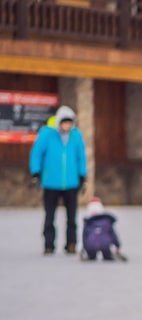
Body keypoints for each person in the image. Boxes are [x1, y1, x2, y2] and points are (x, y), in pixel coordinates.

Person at [29, 105, 87, 255]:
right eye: (64, 122)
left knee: (72, 217)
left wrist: (82, 175)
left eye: (69, 122)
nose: (67, 125)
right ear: (59, 122)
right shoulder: (47, 134)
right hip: (51, 182)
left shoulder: (76, 136)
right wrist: (36, 172)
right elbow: (36, 153)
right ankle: (49, 245)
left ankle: (71, 244)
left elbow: (81, 156)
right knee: (50, 216)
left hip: (71, 182)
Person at [80, 197, 126, 262]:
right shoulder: (107, 221)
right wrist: (117, 246)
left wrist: (84, 248)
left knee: (91, 255)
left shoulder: (88, 223)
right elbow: (113, 235)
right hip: (105, 245)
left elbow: (85, 237)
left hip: (91, 245)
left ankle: (91, 256)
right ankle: (108, 256)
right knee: (107, 254)